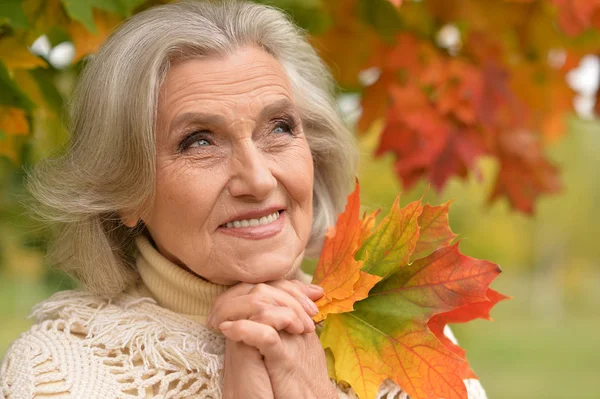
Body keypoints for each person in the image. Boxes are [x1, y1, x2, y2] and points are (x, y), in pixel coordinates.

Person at [0, 1, 487, 398]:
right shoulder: (59, 373)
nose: (256, 179)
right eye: (199, 141)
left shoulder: (408, 336)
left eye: (279, 128)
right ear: (125, 190)